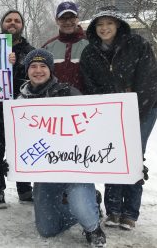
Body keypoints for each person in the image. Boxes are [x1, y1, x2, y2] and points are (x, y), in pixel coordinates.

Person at [80, 6, 157, 231]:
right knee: (113, 156)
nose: (104, 28)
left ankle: (130, 212)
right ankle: (113, 210)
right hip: (110, 114)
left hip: (144, 109)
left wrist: (132, 110)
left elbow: (149, 80)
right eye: (99, 24)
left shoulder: (137, 45)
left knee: (134, 155)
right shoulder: (90, 53)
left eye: (109, 23)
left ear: (117, 24)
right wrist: (106, 110)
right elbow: (90, 86)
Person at [19, 49, 106, 248]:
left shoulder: (68, 92)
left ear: (50, 70)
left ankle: (92, 227)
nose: (38, 70)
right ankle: (84, 208)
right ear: (27, 71)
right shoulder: (20, 102)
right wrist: (14, 161)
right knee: (47, 229)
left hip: (75, 169)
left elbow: (94, 128)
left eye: (43, 66)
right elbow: (21, 139)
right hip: (46, 173)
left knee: (80, 204)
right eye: (33, 66)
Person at [0, 10, 35, 209]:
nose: (12, 23)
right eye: (8, 20)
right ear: (2, 23)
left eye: (17, 20)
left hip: (20, 108)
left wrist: (16, 66)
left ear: (22, 24)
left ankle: (24, 189)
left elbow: (35, 77)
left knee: (22, 148)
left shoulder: (30, 51)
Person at [42, 1, 88, 91]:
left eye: (71, 18)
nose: (67, 22)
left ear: (77, 19)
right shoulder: (48, 47)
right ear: (57, 20)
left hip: (85, 102)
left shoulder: (90, 44)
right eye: (63, 18)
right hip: (56, 102)